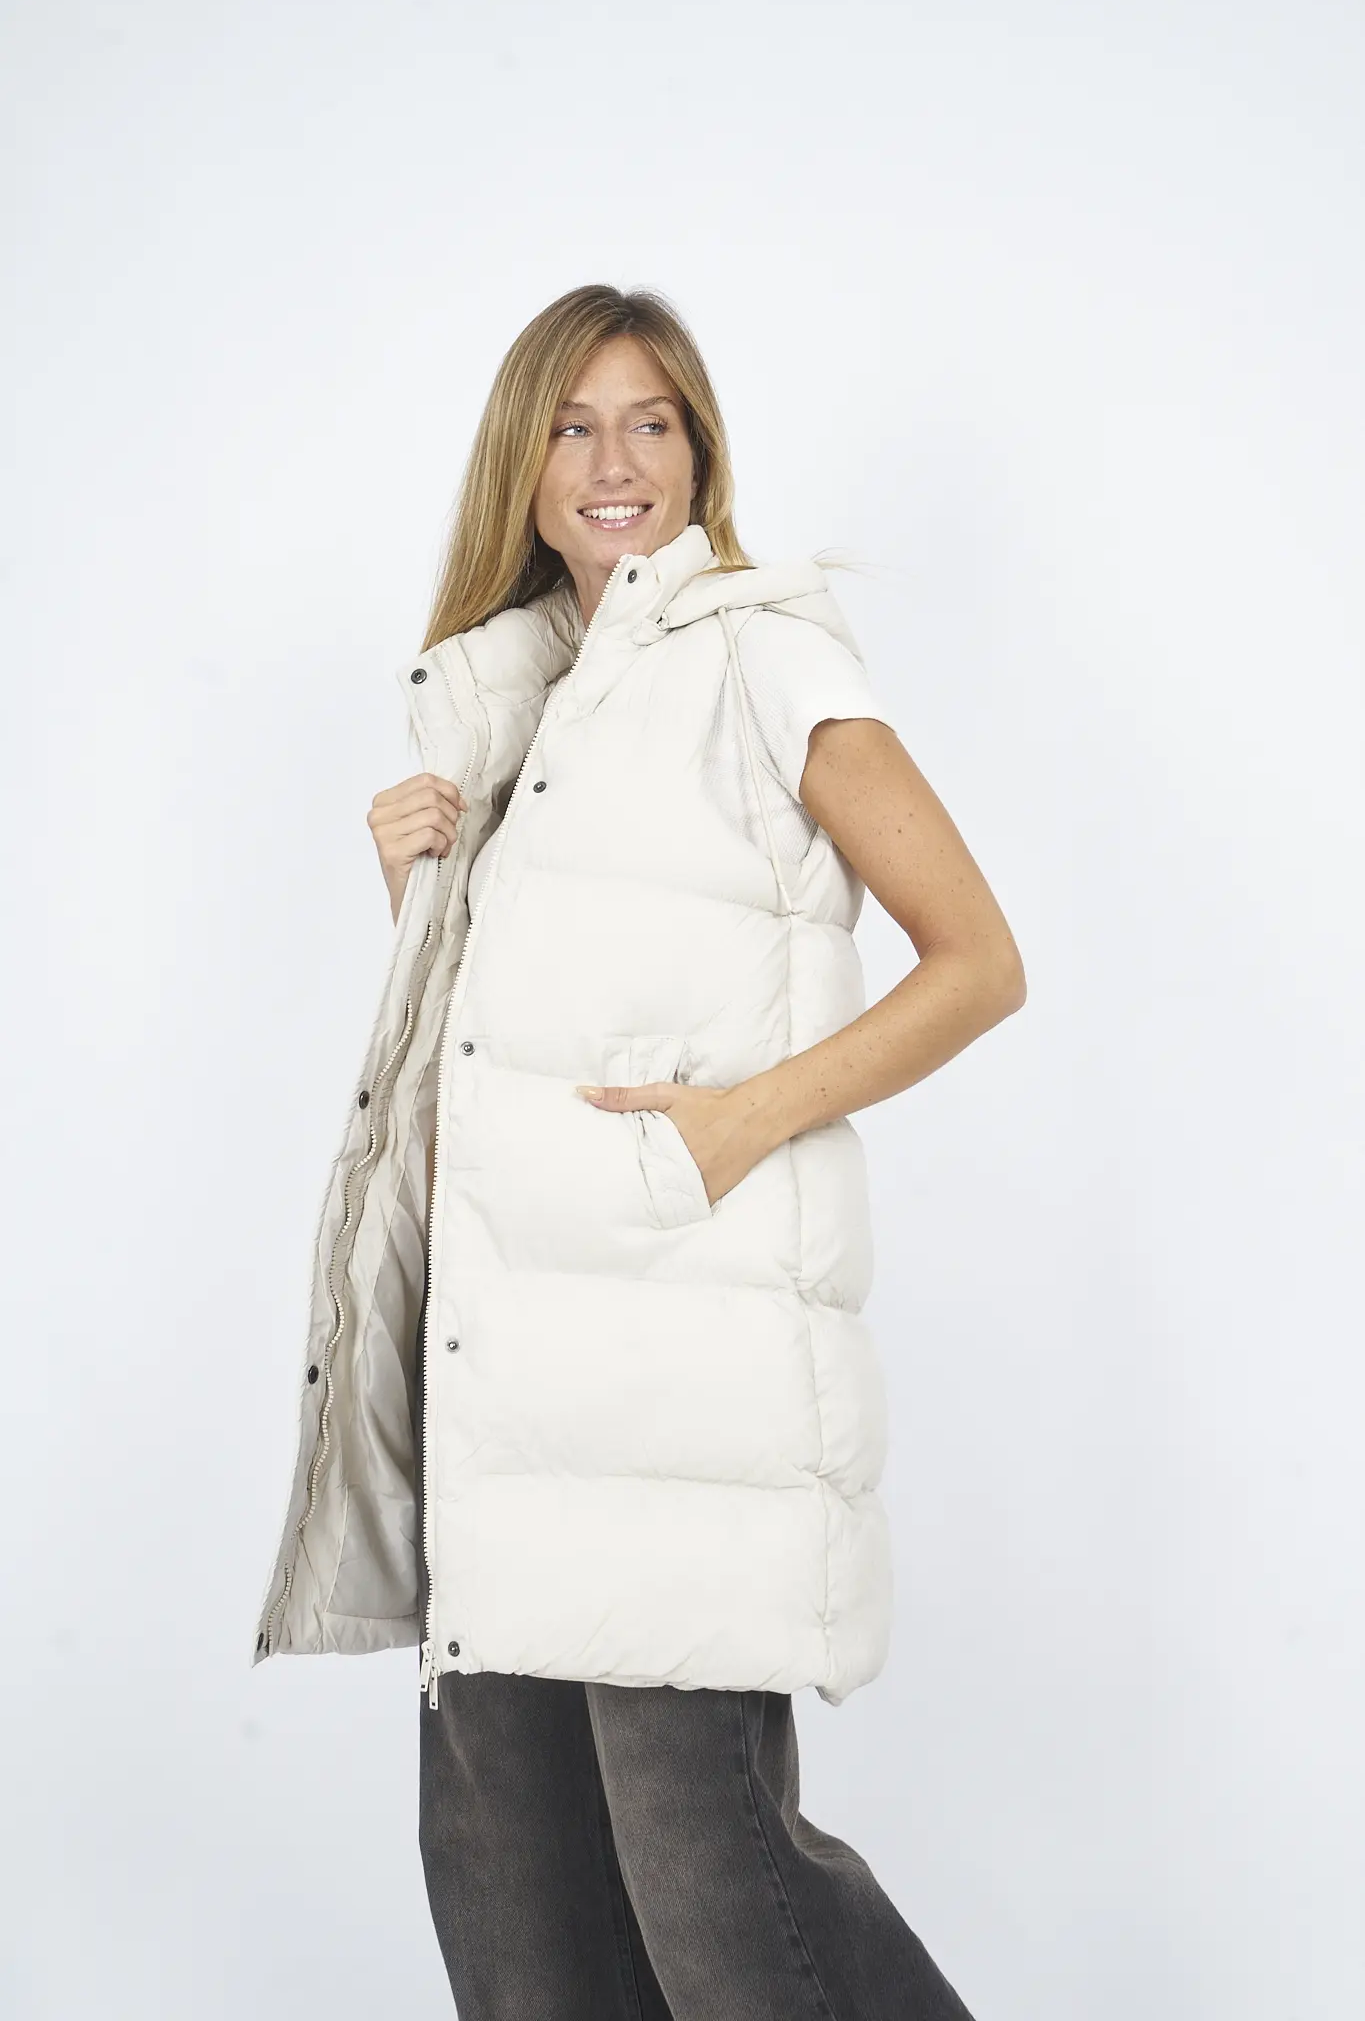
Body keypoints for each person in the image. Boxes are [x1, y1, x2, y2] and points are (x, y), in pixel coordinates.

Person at [254, 282, 1024, 2018]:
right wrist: (421, 897)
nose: (616, 463)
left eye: (652, 423)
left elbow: (979, 959)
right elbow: (510, 1059)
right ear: (521, 468)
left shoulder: (761, 650)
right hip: (496, 1400)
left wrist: (741, 1123)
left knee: (731, 1922)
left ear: (699, 454)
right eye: (575, 426)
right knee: (525, 1943)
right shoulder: (509, 702)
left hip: (681, 1413)